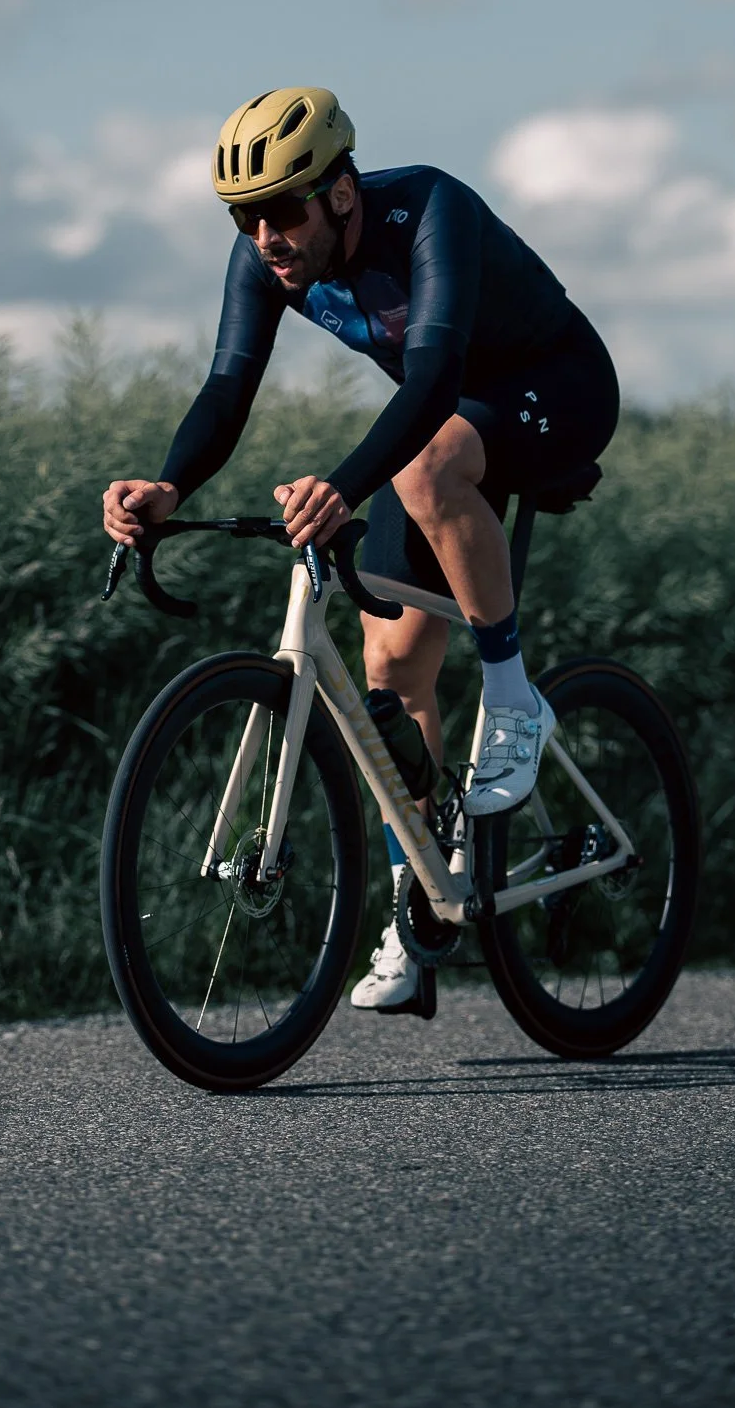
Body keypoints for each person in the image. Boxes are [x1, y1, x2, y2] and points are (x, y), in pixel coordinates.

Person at [103, 87, 620, 1013]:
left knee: (422, 472)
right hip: (443, 424)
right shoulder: (266, 261)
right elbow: (227, 390)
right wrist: (169, 486)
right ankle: (419, 899)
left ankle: (514, 700)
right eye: (244, 218)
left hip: (554, 388)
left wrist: (343, 485)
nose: (265, 237)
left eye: (281, 212)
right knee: (388, 666)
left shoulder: (429, 208)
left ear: (340, 194)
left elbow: (432, 378)